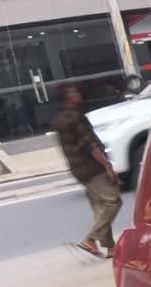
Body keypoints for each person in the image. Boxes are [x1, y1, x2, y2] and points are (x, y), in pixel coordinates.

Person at [52, 85, 122, 259]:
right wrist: (107, 166)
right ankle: (90, 239)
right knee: (113, 200)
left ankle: (110, 248)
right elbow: (90, 144)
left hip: (78, 169)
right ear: (67, 97)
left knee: (100, 206)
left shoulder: (60, 119)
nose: (77, 94)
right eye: (72, 92)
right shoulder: (75, 118)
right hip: (91, 167)